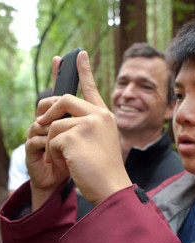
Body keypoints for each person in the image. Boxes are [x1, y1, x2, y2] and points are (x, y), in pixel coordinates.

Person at [0, 8, 195, 243]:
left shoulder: (136, 191)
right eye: (179, 95)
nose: (183, 113)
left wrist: (114, 195)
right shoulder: (163, 201)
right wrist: (47, 193)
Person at [77, 43, 183, 219]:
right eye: (122, 83)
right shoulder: (85, 162)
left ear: (170, 108)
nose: (127, 93)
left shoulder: (181, 183)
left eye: (146, 87)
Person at [7, 89, 52, 194]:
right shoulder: (21, 154)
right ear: (36, 115)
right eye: (47, 113)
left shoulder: (73, 151)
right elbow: (14, 197)